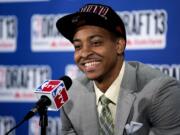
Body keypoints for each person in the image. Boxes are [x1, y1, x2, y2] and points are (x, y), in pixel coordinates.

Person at [56, 3, 180, 135]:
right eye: (78, 46)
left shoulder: (161, 91)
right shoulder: (70, 95)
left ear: (119, 45)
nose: (85, 53)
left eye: (96, 42)